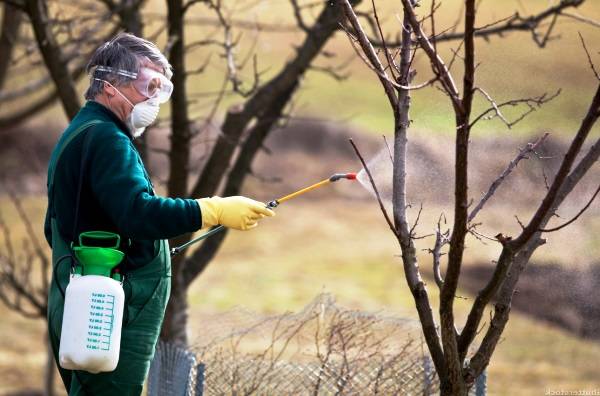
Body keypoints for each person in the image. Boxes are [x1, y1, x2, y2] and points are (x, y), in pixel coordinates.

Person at [44, 32, 274, 395]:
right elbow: (139, 213)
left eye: (161, 89)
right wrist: (212, 209)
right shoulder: (106, 139)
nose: (153, 100)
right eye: (147, 86)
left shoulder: (86, 131)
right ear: (108, 85)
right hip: (108, 310)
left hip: (89, 300)